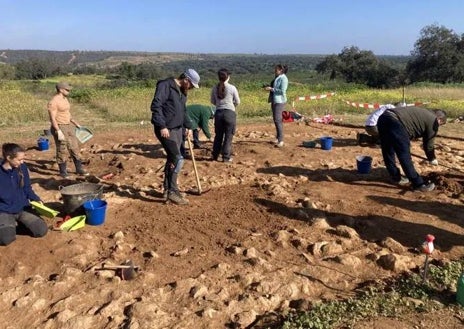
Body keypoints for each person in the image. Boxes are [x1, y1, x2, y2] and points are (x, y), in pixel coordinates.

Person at [150, 69, 200, 205]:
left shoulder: (182, 92)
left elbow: (183, 111)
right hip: (166, 129)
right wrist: (162, 126)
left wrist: (188, 126)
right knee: (177, 158)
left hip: (178, 129)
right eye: (191, 85)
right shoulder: (165, 85)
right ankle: (172, 192)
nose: (191, 88)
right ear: (186, 80)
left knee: (173, 158)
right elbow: (156, 105)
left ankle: (167, 189)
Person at [377, 106, 447, 192]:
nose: (438, 126)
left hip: (383, 118)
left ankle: (395, 177)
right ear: (439, 119)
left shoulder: (424, 112)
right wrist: (432, 158)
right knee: (404, 155)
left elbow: (413, 126)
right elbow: (429, 144)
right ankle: (418, 184)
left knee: (388, 150)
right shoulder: (433, 121)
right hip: (396, 123)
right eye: (441, 124)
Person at [0, 143, 48, 246]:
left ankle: (14, 225)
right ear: (9, 158)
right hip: (4, 210)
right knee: (6, 239)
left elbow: (27, 188)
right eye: (19, 159)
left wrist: (36, 199)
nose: (22, 162)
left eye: (23, 159)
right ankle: (8, 227)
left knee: (41, 230)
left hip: (22, 207)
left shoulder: (22, 168)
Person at [47, 82, 89, 178]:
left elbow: (67, 113)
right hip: (60, 126)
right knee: (62, 149)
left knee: (74, 147)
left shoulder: (65, 99)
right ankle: (63, 172)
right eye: (67, 89)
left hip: (69, 125)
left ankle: (79, 169)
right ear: (61, 90)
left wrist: (76, 124)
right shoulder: (53, 102)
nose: (69, 91)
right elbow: (52, 118)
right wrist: (58, 131)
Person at [210, 68, 240, 163]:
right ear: (228, 77)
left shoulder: (214, 88)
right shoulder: (232, 88)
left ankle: (215, 155)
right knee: (228, 137)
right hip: (229, 114)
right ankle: (226, 157)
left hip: (218, 113)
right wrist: (232, 106)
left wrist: (220, 105)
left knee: (218, 136)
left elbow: (213, 101)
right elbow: (238, 101)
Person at [264, 64, 288, 147]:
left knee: (278, 120)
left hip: (280, 101)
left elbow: (282, 91)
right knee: (276, 119)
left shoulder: (284, 79)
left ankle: (281, 140)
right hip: (275, 100)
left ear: (281, 70)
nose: (275, 71)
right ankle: (278, 138)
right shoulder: (277, 77)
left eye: (276, 69)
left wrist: (271, 89)